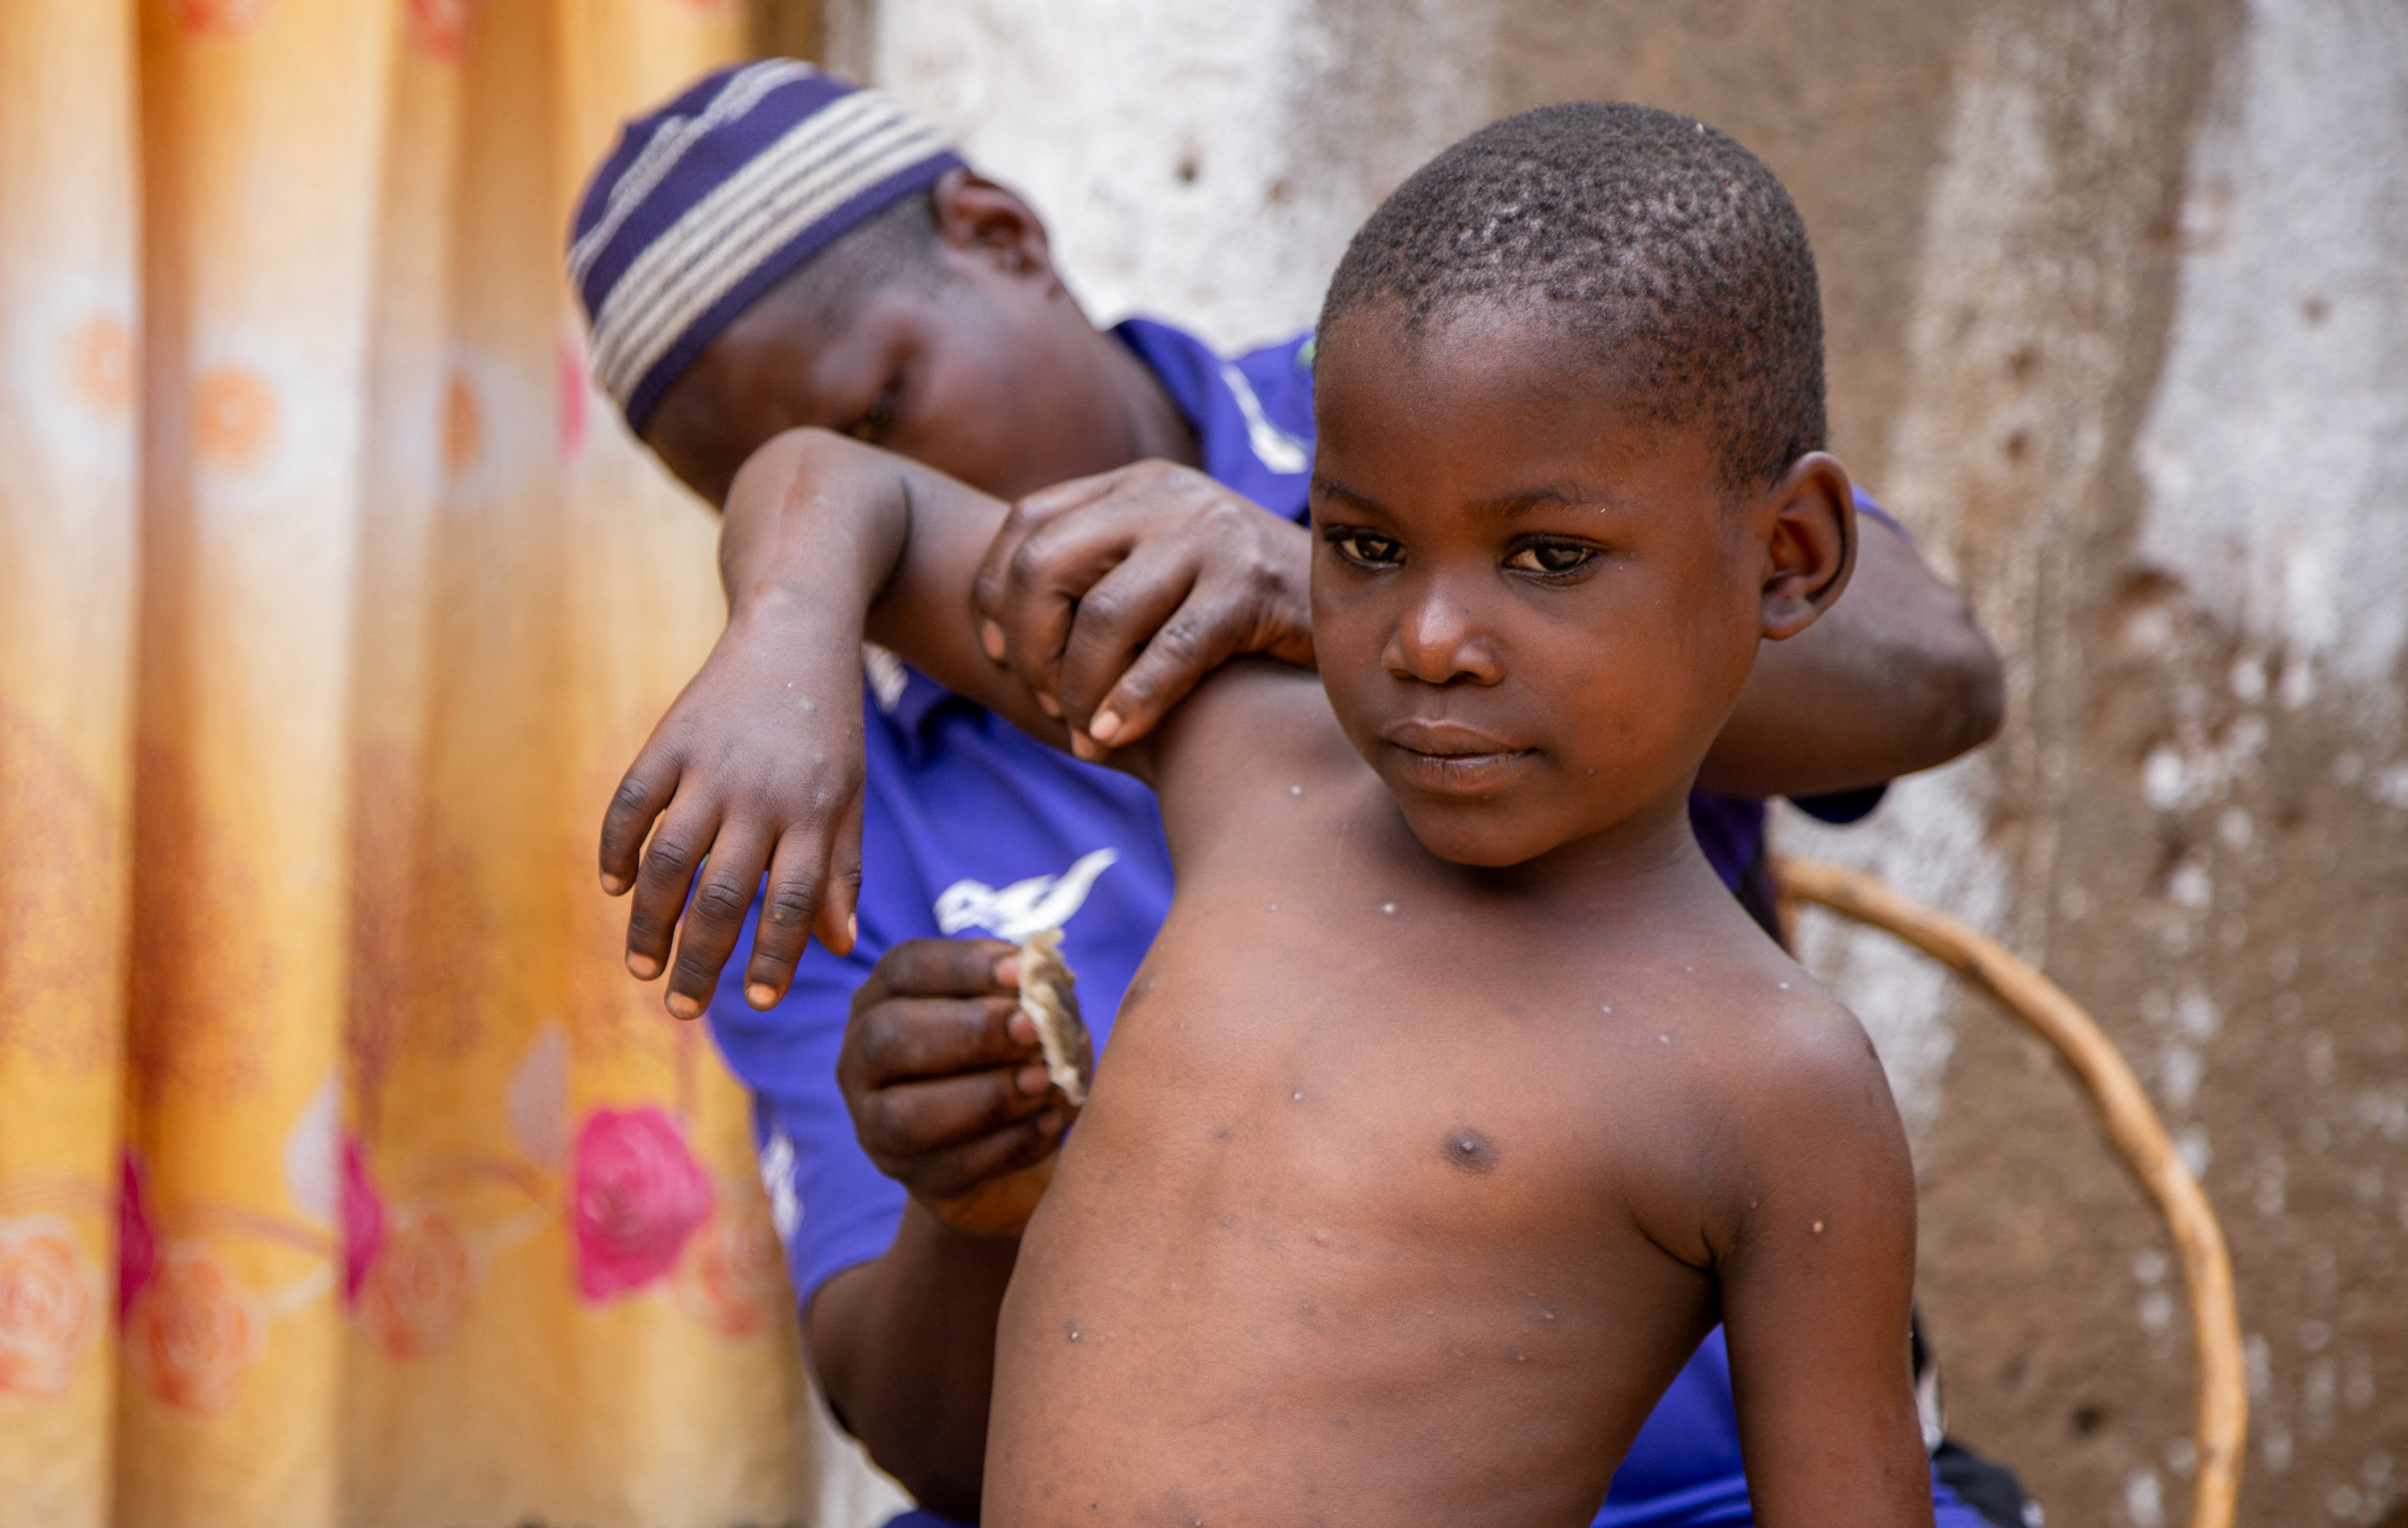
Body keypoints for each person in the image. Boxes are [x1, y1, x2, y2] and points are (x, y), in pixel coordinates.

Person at [570, 64, 2014, 1528]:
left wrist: (1294, 587)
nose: (1434, 637)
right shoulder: (1140, 765)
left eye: (1548, 559)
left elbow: (1940, 673)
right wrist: (782, 635)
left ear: (1001, 235)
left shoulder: (1419, 405)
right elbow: (828, 488)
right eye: (1364, 547)